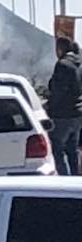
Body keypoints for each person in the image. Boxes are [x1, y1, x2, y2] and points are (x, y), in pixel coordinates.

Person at [47, 36, 82, 176]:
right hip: (77, 114)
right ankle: (76, 179)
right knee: (72, 151)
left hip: (62, 114)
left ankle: (64, 179)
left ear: (60, 48)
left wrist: (50, 108)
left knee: (57, 150)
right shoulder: (79, 63)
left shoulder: (62, 65)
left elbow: (57, 90)